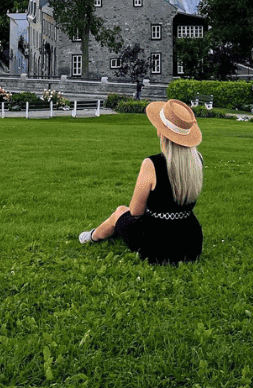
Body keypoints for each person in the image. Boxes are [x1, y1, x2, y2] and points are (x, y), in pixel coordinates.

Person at [78, 99, 203, 265]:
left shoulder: (152, 164)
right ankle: (99, 233)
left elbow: (136, 211)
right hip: (190, 243)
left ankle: (92, 236)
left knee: (120, 212)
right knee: (124, 214)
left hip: (157, 246)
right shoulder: (197, 161)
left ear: (161, 131)